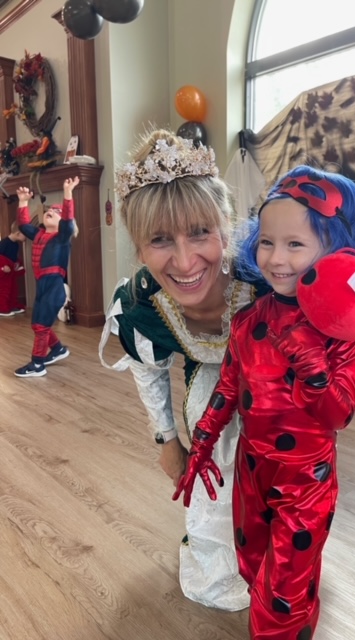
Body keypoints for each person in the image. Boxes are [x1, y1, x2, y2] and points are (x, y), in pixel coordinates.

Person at [173, 165, 355, 640]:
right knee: (255, 570)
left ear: (334, 250)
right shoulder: (248, 319)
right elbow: (228, 388)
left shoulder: (339, 333)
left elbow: (339, 413)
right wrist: (201, 447)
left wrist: (311, 361)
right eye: (268, 242)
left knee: (282, 594)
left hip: (305, 480)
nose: (276, 258)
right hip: (252, 471)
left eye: (295, 244)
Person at [99, 129, 270, 611]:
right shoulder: (143, 305)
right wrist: (167, 441)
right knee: (211, 466)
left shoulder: (265, 279)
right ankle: (217, 563)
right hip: (209, 394)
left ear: (226, 227)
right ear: (139, 248)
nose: (185, 260)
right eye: (160, 239)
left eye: (199, 232)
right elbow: (149, 369)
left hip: (277, 392)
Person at [14, 177, 79, 378]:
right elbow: (23, 225)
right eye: (50, 210)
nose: (51, 211)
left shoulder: (62, 238)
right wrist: (23, 202)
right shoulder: (39, 234)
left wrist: (68, 193)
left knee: (41, 326)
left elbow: (67, 221)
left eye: (57, 212)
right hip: (42, 286)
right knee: (37, 324)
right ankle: (58, 349)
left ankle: (37, 363)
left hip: (54, 287)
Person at [0, 222, 26, 316]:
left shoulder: (16, 245)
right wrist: (3, 267)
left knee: (13, 289)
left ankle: (11, 305)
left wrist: (17, 265)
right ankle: (2, 308)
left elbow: (14, 258)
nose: (26, 237)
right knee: (4, 290)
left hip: (11, 271)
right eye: (25, 234)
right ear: (18, 233)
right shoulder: (4, 243)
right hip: (4, 273)